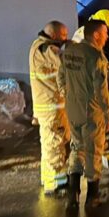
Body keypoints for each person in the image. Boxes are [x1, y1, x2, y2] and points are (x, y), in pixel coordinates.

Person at [59, 19, 109, 209]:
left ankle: (72, 194)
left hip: (72, 109)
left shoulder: (69, 52)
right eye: (105, 33)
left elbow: (61, 77)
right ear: (96, 35)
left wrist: (68, 95)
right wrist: (108, 114)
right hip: (91, 111)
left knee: (76, 148)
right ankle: (93, 196)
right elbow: (101, 91)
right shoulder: (95, 56)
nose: (107, 37)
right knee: (93, 152)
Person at [29, 20, 70, 196]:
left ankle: (48, 178)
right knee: (55, 144)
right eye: (63, 37)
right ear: (54, 36)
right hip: (52, 107)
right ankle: (57, 183)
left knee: (48, 144)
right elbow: (65, 61)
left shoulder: (37, 45)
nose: (64, 40)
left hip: (46, 106)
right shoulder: (46, 49)